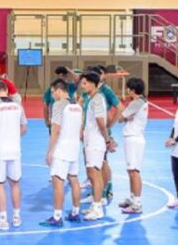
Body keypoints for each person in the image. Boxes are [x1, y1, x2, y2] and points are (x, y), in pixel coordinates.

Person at [0, 81, 27, 230]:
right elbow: (24, 127)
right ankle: (16, 217)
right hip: (15, 149)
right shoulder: (17, 105)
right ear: (7, 90)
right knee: (15, 182)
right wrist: (13, 137)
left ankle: (3, 219)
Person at [40, 78, 82, 227]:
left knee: (58, 182)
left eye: (52, 92)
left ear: (58, 90)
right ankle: (75, 213)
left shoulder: (58, 105)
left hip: (62, 149)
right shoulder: (77, 105)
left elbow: (55, 130)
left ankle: (57, 217)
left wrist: (50, 151)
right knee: (74, 180)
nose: (52, 96)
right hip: (74, 148)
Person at [80, 71, 116, 221]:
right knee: (94, 172)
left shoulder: (98, 99)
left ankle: (98, 207)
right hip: (91, 140)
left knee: (94, 173)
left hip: (96, 141)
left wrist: (108, 140)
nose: (82, 86)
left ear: (93, 84)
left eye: (85, 83)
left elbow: (102, 123)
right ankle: (96, 204)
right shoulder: (91, 98)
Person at [118, 77, 148, 214]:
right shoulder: (140, 102)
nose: (128, 91)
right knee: (131, 171)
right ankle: (132, 198)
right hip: (134, 138)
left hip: (133, 139)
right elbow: (124, 117)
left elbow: (120, 118)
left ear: (133, 90)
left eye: (129, 89)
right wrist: (126, 117)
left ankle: (137, 204)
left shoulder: (136, 103)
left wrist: (124, 117)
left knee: (134, 172)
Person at [43, 66, 79, 133]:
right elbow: (45, 104)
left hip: (69, 119)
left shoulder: (70, 87)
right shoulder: (51, 88)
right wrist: (46, 120)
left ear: (66, 76)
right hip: (55, 117)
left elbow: (77, 81)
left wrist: (70, 71)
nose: (61, 76)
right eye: (60, 75)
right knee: (55, 139)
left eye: (63, 75)